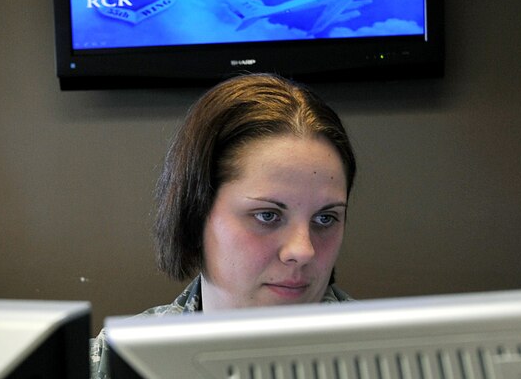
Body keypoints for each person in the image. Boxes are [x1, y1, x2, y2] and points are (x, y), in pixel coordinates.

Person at [89, 72, 357, 378]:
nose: (303, 250)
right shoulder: (114, 366)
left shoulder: (393, 360)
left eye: (325, 218)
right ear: (195, 214)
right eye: (267, 215)